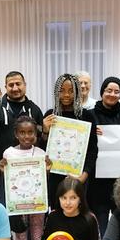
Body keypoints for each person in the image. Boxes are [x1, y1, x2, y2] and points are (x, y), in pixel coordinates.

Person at [0, 116, 52, 240]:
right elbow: (6, 179)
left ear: (36, 134)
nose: (27, 136)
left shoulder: (41, 154)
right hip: (18, 206)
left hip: (37, 206)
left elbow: (45, 182)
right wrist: (1, 167)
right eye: (22, 132)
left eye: (30, 132)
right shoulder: (8, 153)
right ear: (16, 134)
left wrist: (48, 169)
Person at [0, 71, 44, 206]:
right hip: (1, 170)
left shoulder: (34, 110)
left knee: (28, 208)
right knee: (4, 208)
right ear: (5, 87)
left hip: (29, 172)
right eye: (11, 85)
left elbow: (40, 139)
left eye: (18, 84)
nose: (15, 88)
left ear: (25, 85)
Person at [87, 76, 120, 237]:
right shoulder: (89, 115)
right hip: (96, 178)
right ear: (102, 92)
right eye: (109, 90)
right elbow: (80, 141)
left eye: (117, 91)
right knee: (99, 217)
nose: (112, 94)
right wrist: (90, 132)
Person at [42, 73, 98, 210]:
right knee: (57, 212)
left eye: (71, 91)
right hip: (55, 176)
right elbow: (43, 150)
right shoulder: (51, 115)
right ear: (56, 92)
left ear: (78, 92)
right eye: (62, 91)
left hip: (78, 176)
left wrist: (84, 175)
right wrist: (44, 131)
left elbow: (92, 150)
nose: (66, 95)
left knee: (78, 213)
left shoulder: (87, 116)